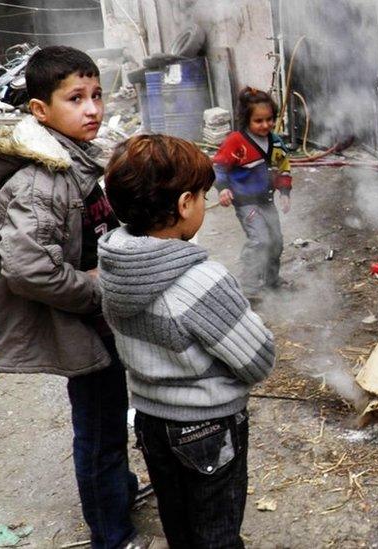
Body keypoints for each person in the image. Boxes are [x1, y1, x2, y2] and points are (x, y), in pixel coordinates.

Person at [0, 46, 140, 547]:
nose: (92, 108)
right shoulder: (42, 181)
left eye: (96, 95)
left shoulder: (73, 161)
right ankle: (110, 534)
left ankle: (118, 493)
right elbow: (27, 268)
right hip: (80, 325)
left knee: (110, 419)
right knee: (98, 432)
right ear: (40, 111)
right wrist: (93, 292)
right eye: (75, 98)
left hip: (94, 322)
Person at [99, 134, 275, 548]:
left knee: (179, 526)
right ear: (183, 205)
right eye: (201, 196)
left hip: (151, 422)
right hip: (207, 428)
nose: (205, 204)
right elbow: (258, 358)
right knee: (217, 534)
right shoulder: (200, 280)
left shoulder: (114, 265)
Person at [213, 87, 293, 296]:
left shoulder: (276, 142)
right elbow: (219, 166)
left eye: (270, 119)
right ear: (246, 120)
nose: (265, 125)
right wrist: (223, 189)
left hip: (266, 200)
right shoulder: (235, 142)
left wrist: (284, 192)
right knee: (260, 240)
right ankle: (248, 288)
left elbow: (283, 167)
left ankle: (272, 281)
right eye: (259, 121)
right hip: (246, 202)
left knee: (276, 240)